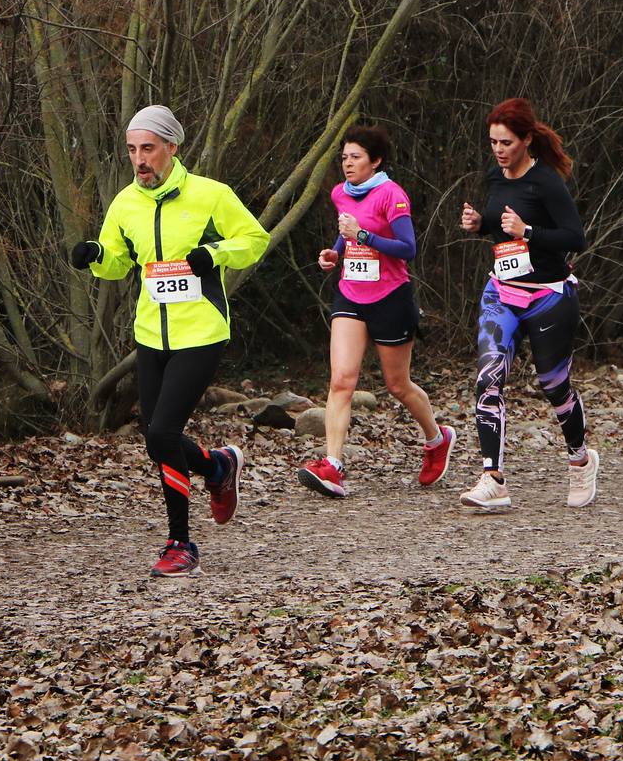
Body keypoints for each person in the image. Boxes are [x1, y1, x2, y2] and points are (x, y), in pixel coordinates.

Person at [71, 105, 269, 577]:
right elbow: (118, 261)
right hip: (150, 334)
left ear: (171, 149)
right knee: (157, 441)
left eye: (149, 149)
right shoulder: (125, 203)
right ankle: (217, 468)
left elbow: (254, 238)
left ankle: (181, 543)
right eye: (133, 150)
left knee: (161, 434)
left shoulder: (210, 195)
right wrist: (96, 255)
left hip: (201, 331)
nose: (140, 160)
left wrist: (212, 254)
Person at [457, 98, 600, 512]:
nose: (499, 150)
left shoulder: (547, 182)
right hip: (501, 291)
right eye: (493, 142)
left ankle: (580, 458)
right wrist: (478, 225)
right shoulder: (494, 177)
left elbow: (575, 238)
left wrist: (529, 230)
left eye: (506, 142)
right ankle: (493, 477)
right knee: (489, 378)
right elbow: (499, 229)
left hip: (548, 296)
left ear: (526, 140)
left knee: (553, 386)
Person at [297, 125, 454, 498]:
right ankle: (332, 465)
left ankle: (436, 438)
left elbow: (407, 248)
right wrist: (335, 252)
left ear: (375, 161)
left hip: (390, 297)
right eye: (344, 157)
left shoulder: (391, 196)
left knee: (397, 385)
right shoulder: (340, 193)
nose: (347, 164)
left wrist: (363, 237)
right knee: (341, 381)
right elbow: (345, 232)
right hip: (351, 296)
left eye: (355, 157)